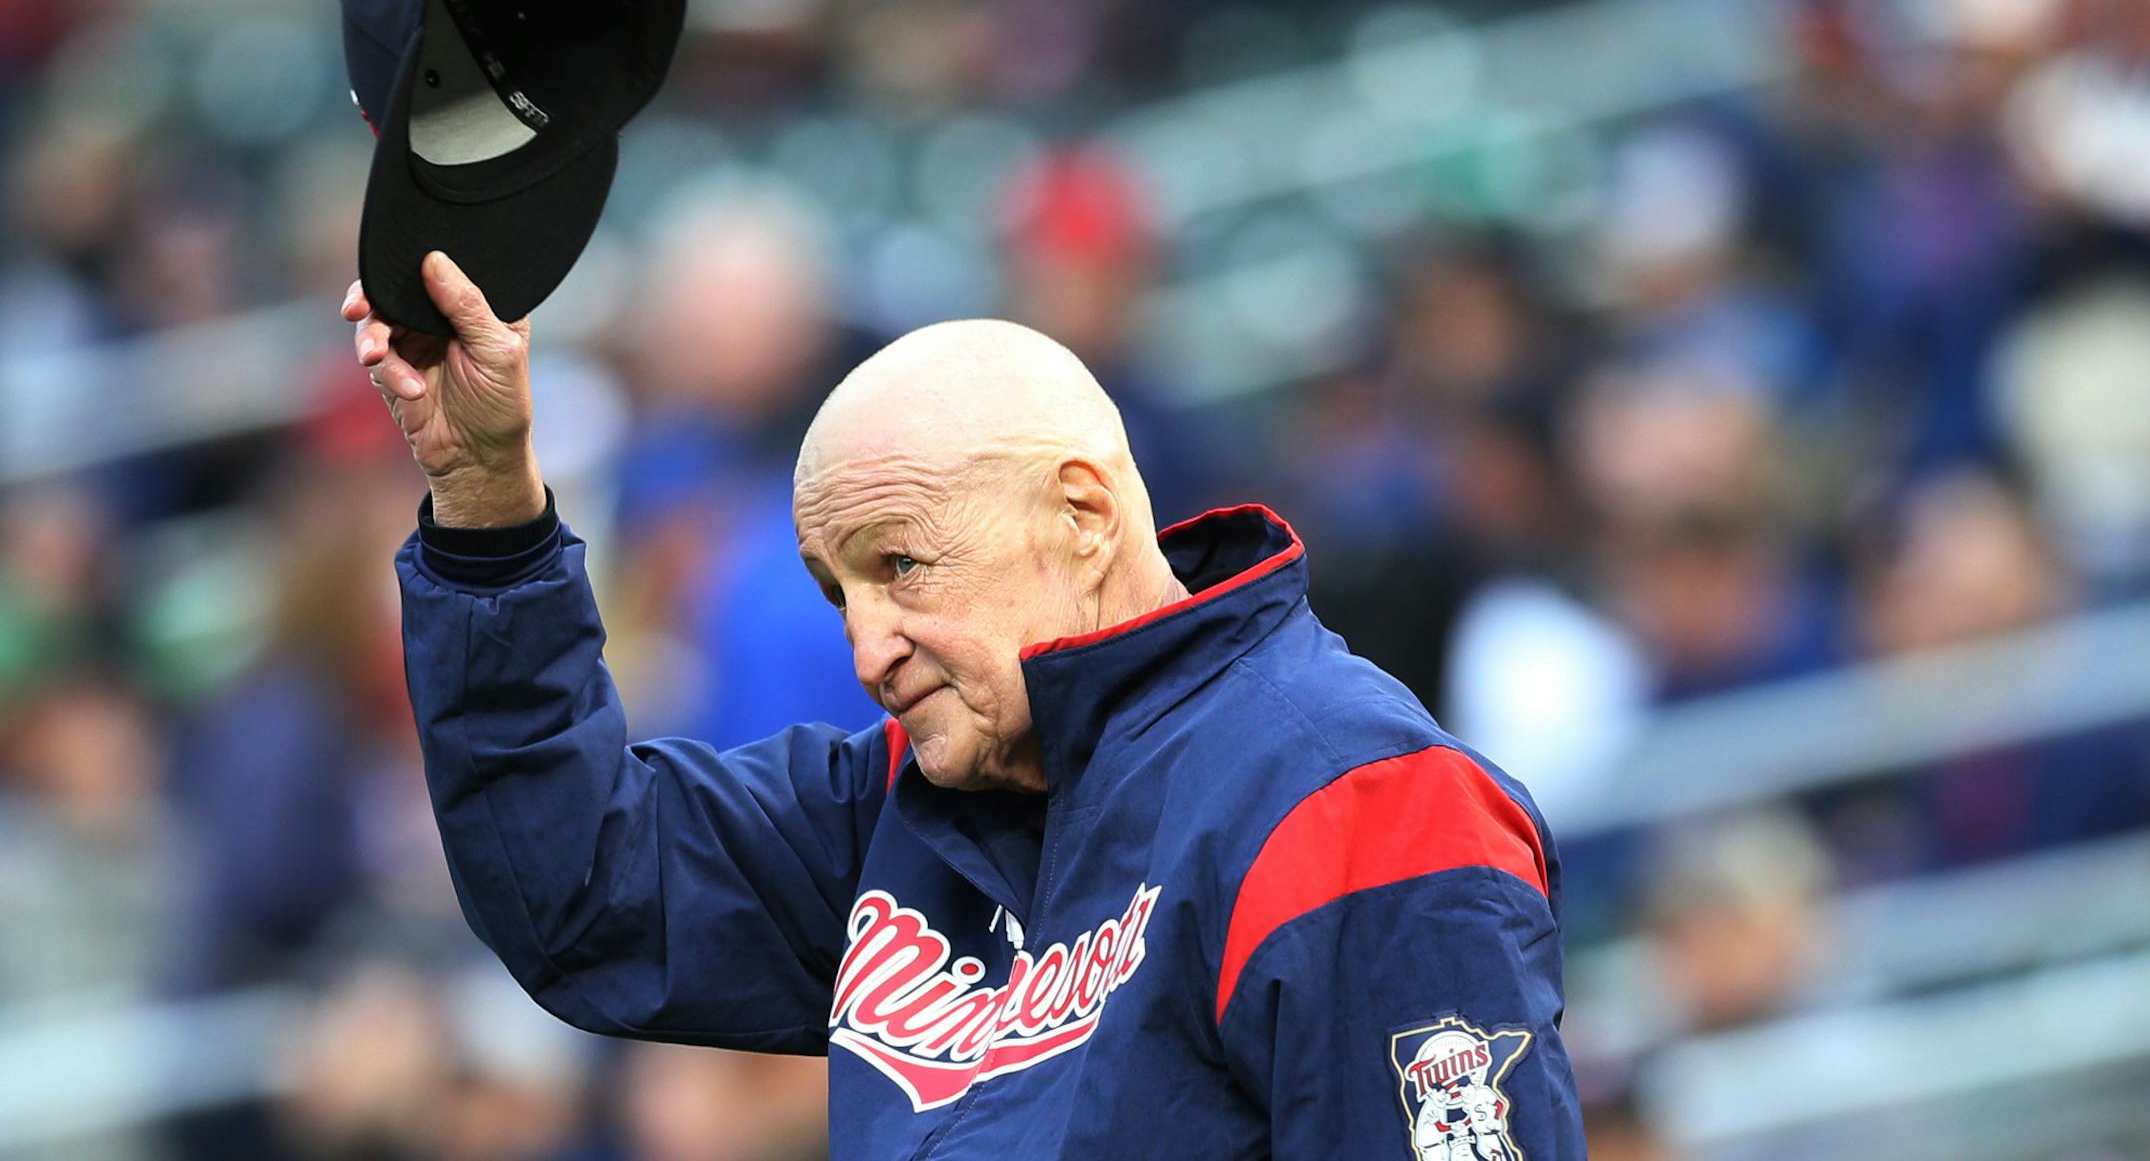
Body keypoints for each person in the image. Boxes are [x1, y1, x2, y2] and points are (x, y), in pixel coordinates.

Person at [342, 250, 1585, 1158]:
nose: (870, 648)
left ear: (1085, 514)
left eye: (902, 565)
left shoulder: (1357, 802)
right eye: (838, 593)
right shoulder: (902, 803)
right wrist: (488, 508)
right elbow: (582, 888)